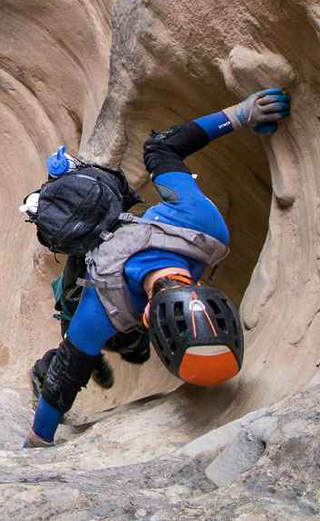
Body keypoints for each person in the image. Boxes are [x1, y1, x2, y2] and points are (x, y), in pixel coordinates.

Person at [24, 88, 291, 448]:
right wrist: (37, 439)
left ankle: (108, 349)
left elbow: (161, 147)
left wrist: (241, 114)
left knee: (98, 345)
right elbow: (63, 374)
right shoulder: (103, 306)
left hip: (117, 262)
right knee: (119, 346)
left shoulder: (200, 227)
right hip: (93, 269)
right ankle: (49, 365)